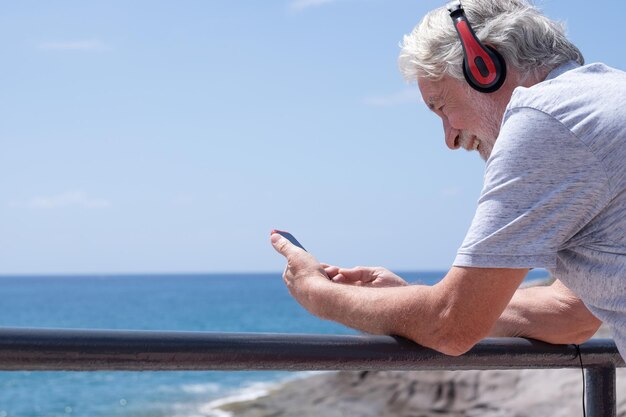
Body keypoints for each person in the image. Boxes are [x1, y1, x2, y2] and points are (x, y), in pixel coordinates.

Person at [270, 0, 626, 358]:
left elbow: (450, 326)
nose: (450, 138)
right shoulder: (599, 103)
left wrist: (316, 292)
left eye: (440, 106)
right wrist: (408, 301)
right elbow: (569, 316)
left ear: (484, 67)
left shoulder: (547, 119)